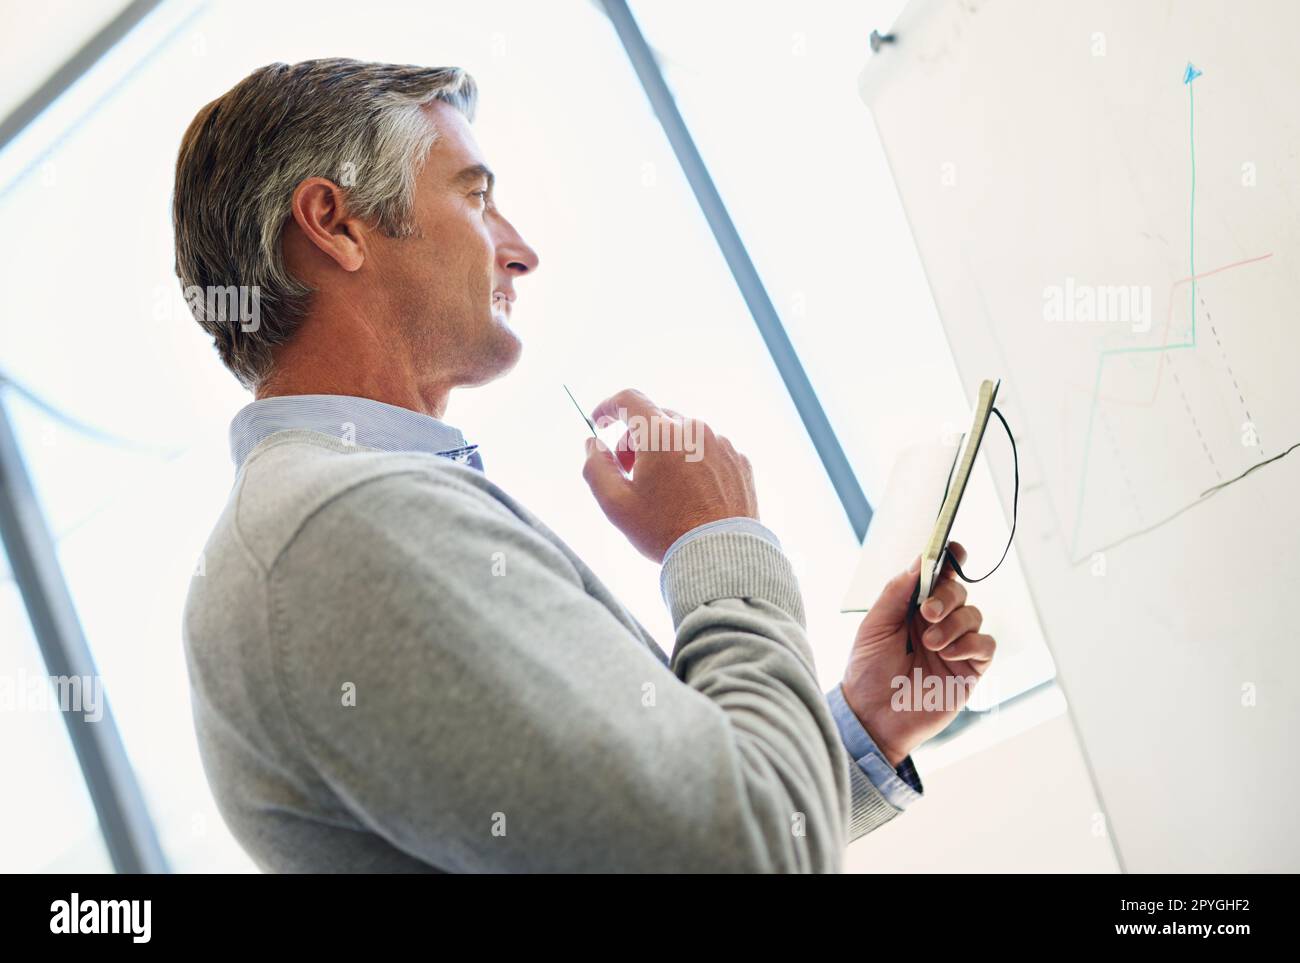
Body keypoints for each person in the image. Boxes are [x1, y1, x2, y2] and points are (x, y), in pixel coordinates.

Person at [175, 58, 995, 872]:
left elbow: (639, 843)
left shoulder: (328, 519)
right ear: (337, 222)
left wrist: (862, 728)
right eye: (475, 195)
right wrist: (717, 540)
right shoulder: (336, 527)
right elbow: (731, 856)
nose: (520, 251)